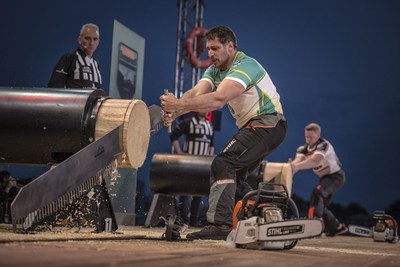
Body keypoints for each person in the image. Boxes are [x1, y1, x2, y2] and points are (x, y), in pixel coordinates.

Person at [160, 25, 287, 240]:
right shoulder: (214, 69)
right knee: (233, 175)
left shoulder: (245, 65)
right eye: (208, 49)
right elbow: (195, 92)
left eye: (215, 48)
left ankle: (220, 224)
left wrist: (179, 106)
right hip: (257, 126)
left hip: (268, 124)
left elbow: (218, 100)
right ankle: (269, 210)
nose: (210, 54)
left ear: (230, 46)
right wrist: (177, 108)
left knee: (223, 163)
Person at [290, 123, 348, 236]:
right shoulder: (303, 149)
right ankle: (336, 227)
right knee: (320, 204)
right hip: (325, 178)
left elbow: (314, 160)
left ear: (318, 135)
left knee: (317, 194)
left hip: (336, 176)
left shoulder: (324, 145)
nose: (308, 140)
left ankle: (313, 226)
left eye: (311, 137)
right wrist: (291, 168)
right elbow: (298, 160)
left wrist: (297, 167)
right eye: (306, 136)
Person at [170, 112, 214, 227]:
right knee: (186, 193)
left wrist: (210, 159)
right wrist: (179, 153)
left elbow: (211, 145)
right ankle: (183, 221)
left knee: (199, 194)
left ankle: (194, 222)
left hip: (203, 165)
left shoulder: (210, 125)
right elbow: (173, 136)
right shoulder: (188, 122)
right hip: (188, 163)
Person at [48, 23, 102, 89]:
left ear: (98, 42)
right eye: (87, 38)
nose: (91, 43)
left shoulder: (96, 65)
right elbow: (54, 88)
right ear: (79, 40)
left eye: (95, 39)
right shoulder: (69, 58)